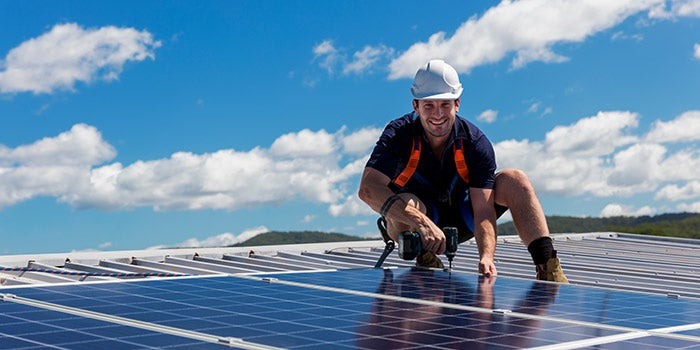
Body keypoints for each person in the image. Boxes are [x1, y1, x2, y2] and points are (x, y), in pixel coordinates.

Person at [358, 59, 568, 283]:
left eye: (445, 105)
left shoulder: (475, 143)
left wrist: (487, 256)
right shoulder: (398, 135)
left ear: (457, 104)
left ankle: (548, 267)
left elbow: (484, 210)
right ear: (415, 106)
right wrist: (422, 223)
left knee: (515, 179)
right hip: (416, 222)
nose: (437, 114)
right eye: (429, 105)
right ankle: (425, 256)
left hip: (464, 217)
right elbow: (368, 189)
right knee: (408, 202)